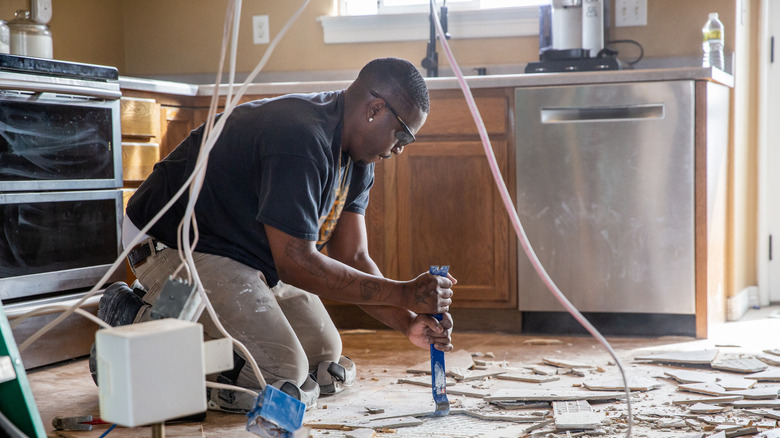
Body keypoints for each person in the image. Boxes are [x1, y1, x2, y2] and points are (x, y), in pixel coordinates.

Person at [100, 57, 456, 412]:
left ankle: (179, 322)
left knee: (323, 357)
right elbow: (296, 262)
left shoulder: (359, 160)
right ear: (375, 109)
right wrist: (405, 292)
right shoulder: (301, 137)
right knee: (279, 373)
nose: (399, 149)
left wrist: (408, 320)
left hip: (244, 249)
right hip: (172, 240)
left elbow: (354, 258)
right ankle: (138, 322)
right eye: (403, 134)